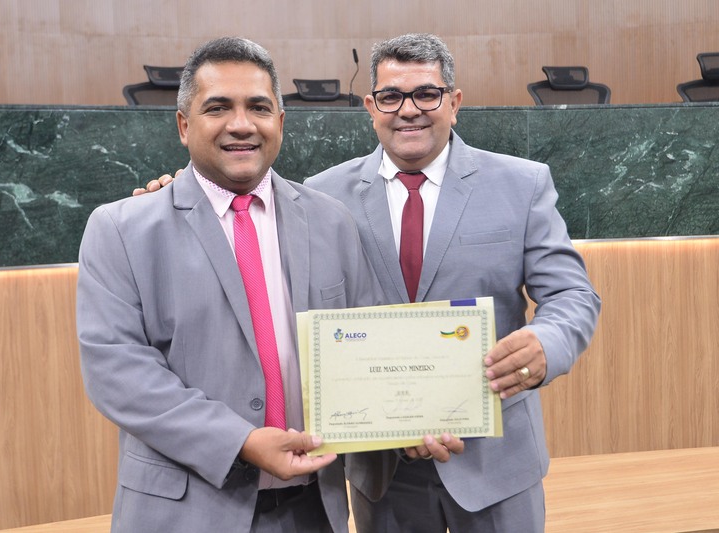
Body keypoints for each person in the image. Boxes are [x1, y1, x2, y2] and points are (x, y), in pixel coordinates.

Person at [138, 33, 600, 533]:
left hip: (496, 465)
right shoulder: (319, 197)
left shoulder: (522, 183)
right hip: (381, 470)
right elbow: (234, 209)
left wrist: (547, 343)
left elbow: (572, 294)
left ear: (454, 103)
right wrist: (175, 197)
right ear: (370, 106)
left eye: (427, 94)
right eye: (391, 96)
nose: (409, 110)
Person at [77, 36, 394, 533]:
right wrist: (240, 441)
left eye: (259, 107)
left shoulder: (332, 222)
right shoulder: (121, 229)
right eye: (218, 107)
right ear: (184, 125)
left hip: (313, 509)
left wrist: (417, 418)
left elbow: (372, 346)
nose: (241, 124)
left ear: (280, 122)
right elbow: (118, 372)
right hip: (184, 512)